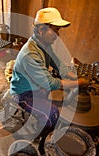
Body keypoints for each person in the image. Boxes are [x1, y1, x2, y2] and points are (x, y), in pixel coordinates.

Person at [10, 8, 88, 137]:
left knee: (60, 94)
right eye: (55, 30)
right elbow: (49, 84)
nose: (58, 35)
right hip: (23, 94)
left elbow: (58, 64)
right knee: (53, 113)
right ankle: (42, 138)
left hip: (36, 86)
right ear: (41, 30)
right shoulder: (30, 54)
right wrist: (78, 83)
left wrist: (73, 76)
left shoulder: (43, 44)